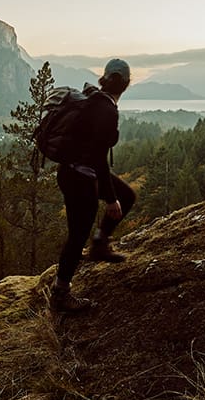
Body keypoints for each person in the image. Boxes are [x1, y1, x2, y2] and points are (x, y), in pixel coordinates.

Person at [49, 58, 138, 313]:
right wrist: (110, 199)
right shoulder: (106, 110)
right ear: (127, 84)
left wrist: (113, 195)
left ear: (104, 79)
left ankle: (100, 243)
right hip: (81, 178)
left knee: (127, 196)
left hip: (71, 173)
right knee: (77, 236)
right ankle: (60, 295)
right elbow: (99, 157)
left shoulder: (96, 100)